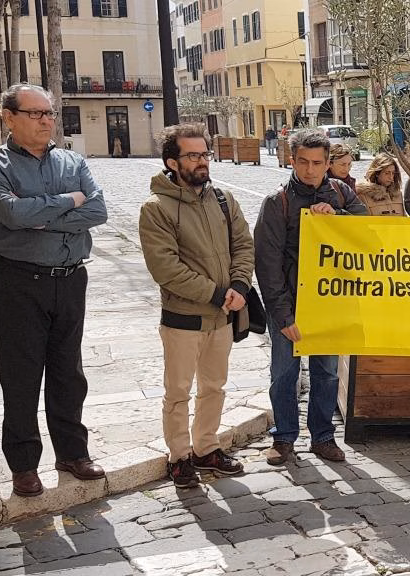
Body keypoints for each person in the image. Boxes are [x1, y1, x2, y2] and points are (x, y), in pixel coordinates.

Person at [0, 84, 108, 497]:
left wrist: (39, 215)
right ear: (8, 117)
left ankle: (72, 452)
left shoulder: (72, 161)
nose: (46, 121)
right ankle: (24, 464)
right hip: (18, 282)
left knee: (69, 373)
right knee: (21, 376)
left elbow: (98, 211)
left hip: (70, 279)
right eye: (35, 114)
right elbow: (11, 214)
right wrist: (69, 202)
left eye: (49, 113)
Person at [139, 124, 255, 488]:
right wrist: (217, 293)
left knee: (214, 387)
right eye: (192, 155)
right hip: (183, 319)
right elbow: (166, 269)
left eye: (204, 153)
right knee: (177, 392)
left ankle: (207, 448)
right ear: (172, 161)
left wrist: (239, 285)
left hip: (221, 317)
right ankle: (179, 456)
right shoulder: (155, 209)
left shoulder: (223, 200)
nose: (202, 161)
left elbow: (244, 245)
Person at [255, 129, 369, 466]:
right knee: (284, 375)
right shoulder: (278, 203)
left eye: (317, 163)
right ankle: (284, 438)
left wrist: (339, 218)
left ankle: (323, 437)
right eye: (303, 162)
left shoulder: (342, 192)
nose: (309, 169)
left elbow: (369, 234)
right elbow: (267, 263)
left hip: (330, 304)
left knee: (327, 374)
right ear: (292, 161)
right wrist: (282, 315)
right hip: (289, 305)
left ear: (327, 163)